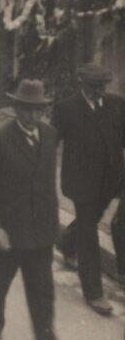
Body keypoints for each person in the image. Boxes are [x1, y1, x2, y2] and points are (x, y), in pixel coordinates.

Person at [0, 80, 61, 340]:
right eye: (28, 110)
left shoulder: (50, 136)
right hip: (8, 232)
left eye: (40, 110)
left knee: (43, 293)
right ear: (16, 109)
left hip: (40, 233)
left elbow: (47, 182)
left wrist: (52, 225)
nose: (34, 116)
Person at [53, 62, 124, 316]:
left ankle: (65, 242)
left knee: (91, 220)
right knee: (89, 231)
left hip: (110, 181)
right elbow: (52, 142)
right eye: (94, 87)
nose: (100, 92)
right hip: (81, 182)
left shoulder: (117, 105)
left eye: (103, 86)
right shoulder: (66, 109)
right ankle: (94, 292)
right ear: (82, 84)